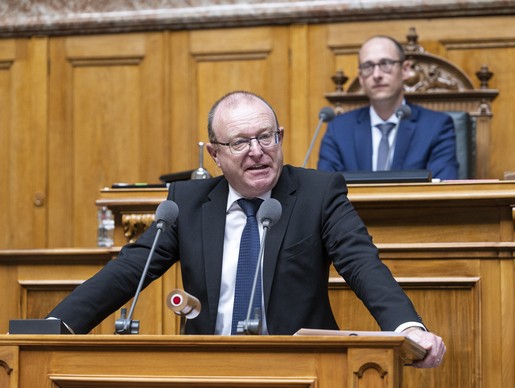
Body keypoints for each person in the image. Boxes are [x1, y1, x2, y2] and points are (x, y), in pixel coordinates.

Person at [47, 90, 446, 368]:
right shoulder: (188, 202)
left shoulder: (317, 193)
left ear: (281, 137)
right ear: (215, 154)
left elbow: (362, 264)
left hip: (300, 369)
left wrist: (408, 328)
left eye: (266, 137)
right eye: (240, 142)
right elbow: (131, 268)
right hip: (207, 368)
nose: (257, 151)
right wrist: (57, 326)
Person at [317, 35, 459, 180]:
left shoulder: (436, 126)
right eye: (368, 67)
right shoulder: (339, 129)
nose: (377, 75)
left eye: (386, 64)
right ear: (360, 77)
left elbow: (443, 188)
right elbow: (325, 190)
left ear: (405, 69)